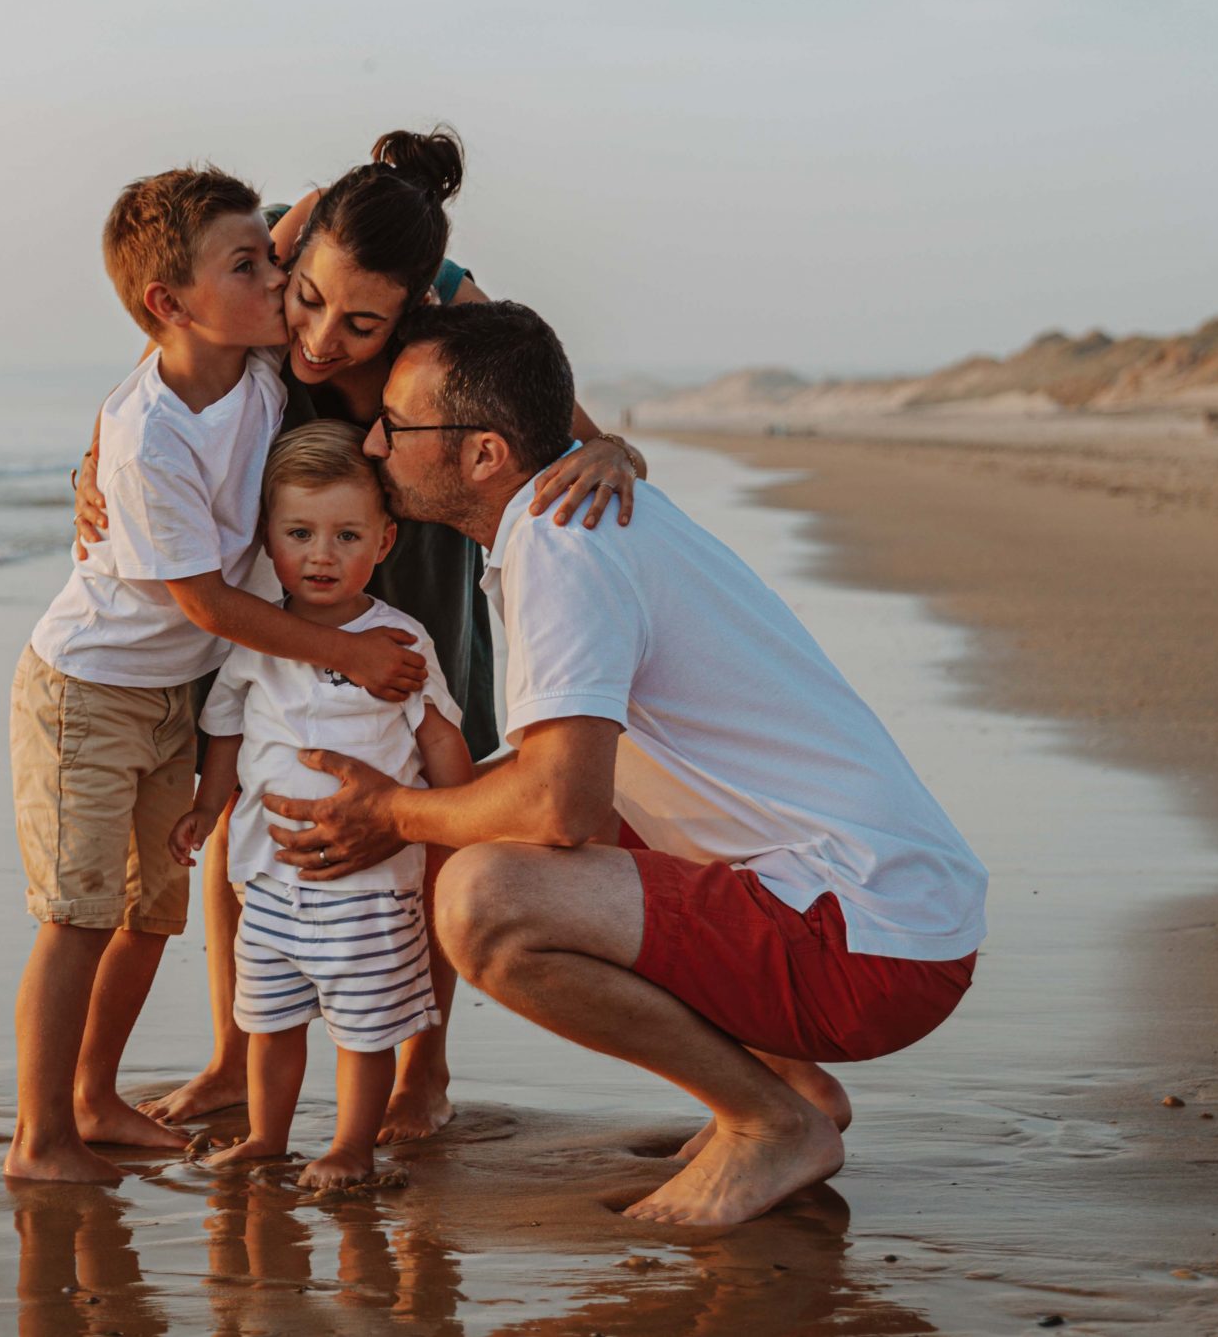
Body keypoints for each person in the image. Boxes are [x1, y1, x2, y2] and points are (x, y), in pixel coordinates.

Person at [265, 300, 989, 1226]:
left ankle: (768, 1122)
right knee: (477, 806)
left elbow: (562, 807)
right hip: (881, 908)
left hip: (865, 945)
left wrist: (393, 813)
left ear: (485, 454)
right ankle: (793, 1087)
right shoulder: (580, 509)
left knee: (481, 896)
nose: (371, 443)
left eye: (398, 426)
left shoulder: (564, 542)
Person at [75, 127, 646, 1143]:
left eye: (361, 323)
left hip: (415, 556)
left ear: (412, 309)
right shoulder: (291, 248)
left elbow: (543, 410)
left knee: (432, 797)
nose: (321, 338)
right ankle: (233, 1052)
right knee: (255, 782)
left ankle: (420, 1069)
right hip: (286, 563)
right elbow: (170, 349)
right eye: (305, 302)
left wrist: (603, 445)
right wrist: (93, 455)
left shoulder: (443, 300)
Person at [4, 167, 430, 1186]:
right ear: (170, 303)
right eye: (252, 267)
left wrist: (329, 198)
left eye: (272, 256)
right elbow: (204, 601)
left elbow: (285, 234)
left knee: (153, 907)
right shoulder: (147, 433)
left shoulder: (259, 368)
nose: (280, 279)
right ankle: (39, 1134)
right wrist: (347, 650)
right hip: (89, 691)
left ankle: (95, 1096)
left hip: (169, 695)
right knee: (80, 910)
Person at [168, 422, 475, 1189]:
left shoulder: (399, 637)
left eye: (346, 535)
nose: (321, 554)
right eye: (299, 533)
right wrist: (208, 809)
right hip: (268, 882)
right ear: (268, 540)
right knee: (266, 1020)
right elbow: (227, 730)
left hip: (369, 891)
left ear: (384, 540)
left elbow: (438, 738)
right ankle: (268, 1135)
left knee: (364, 1030)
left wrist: (464, 819)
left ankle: (349, 1145)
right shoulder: (257, 636)